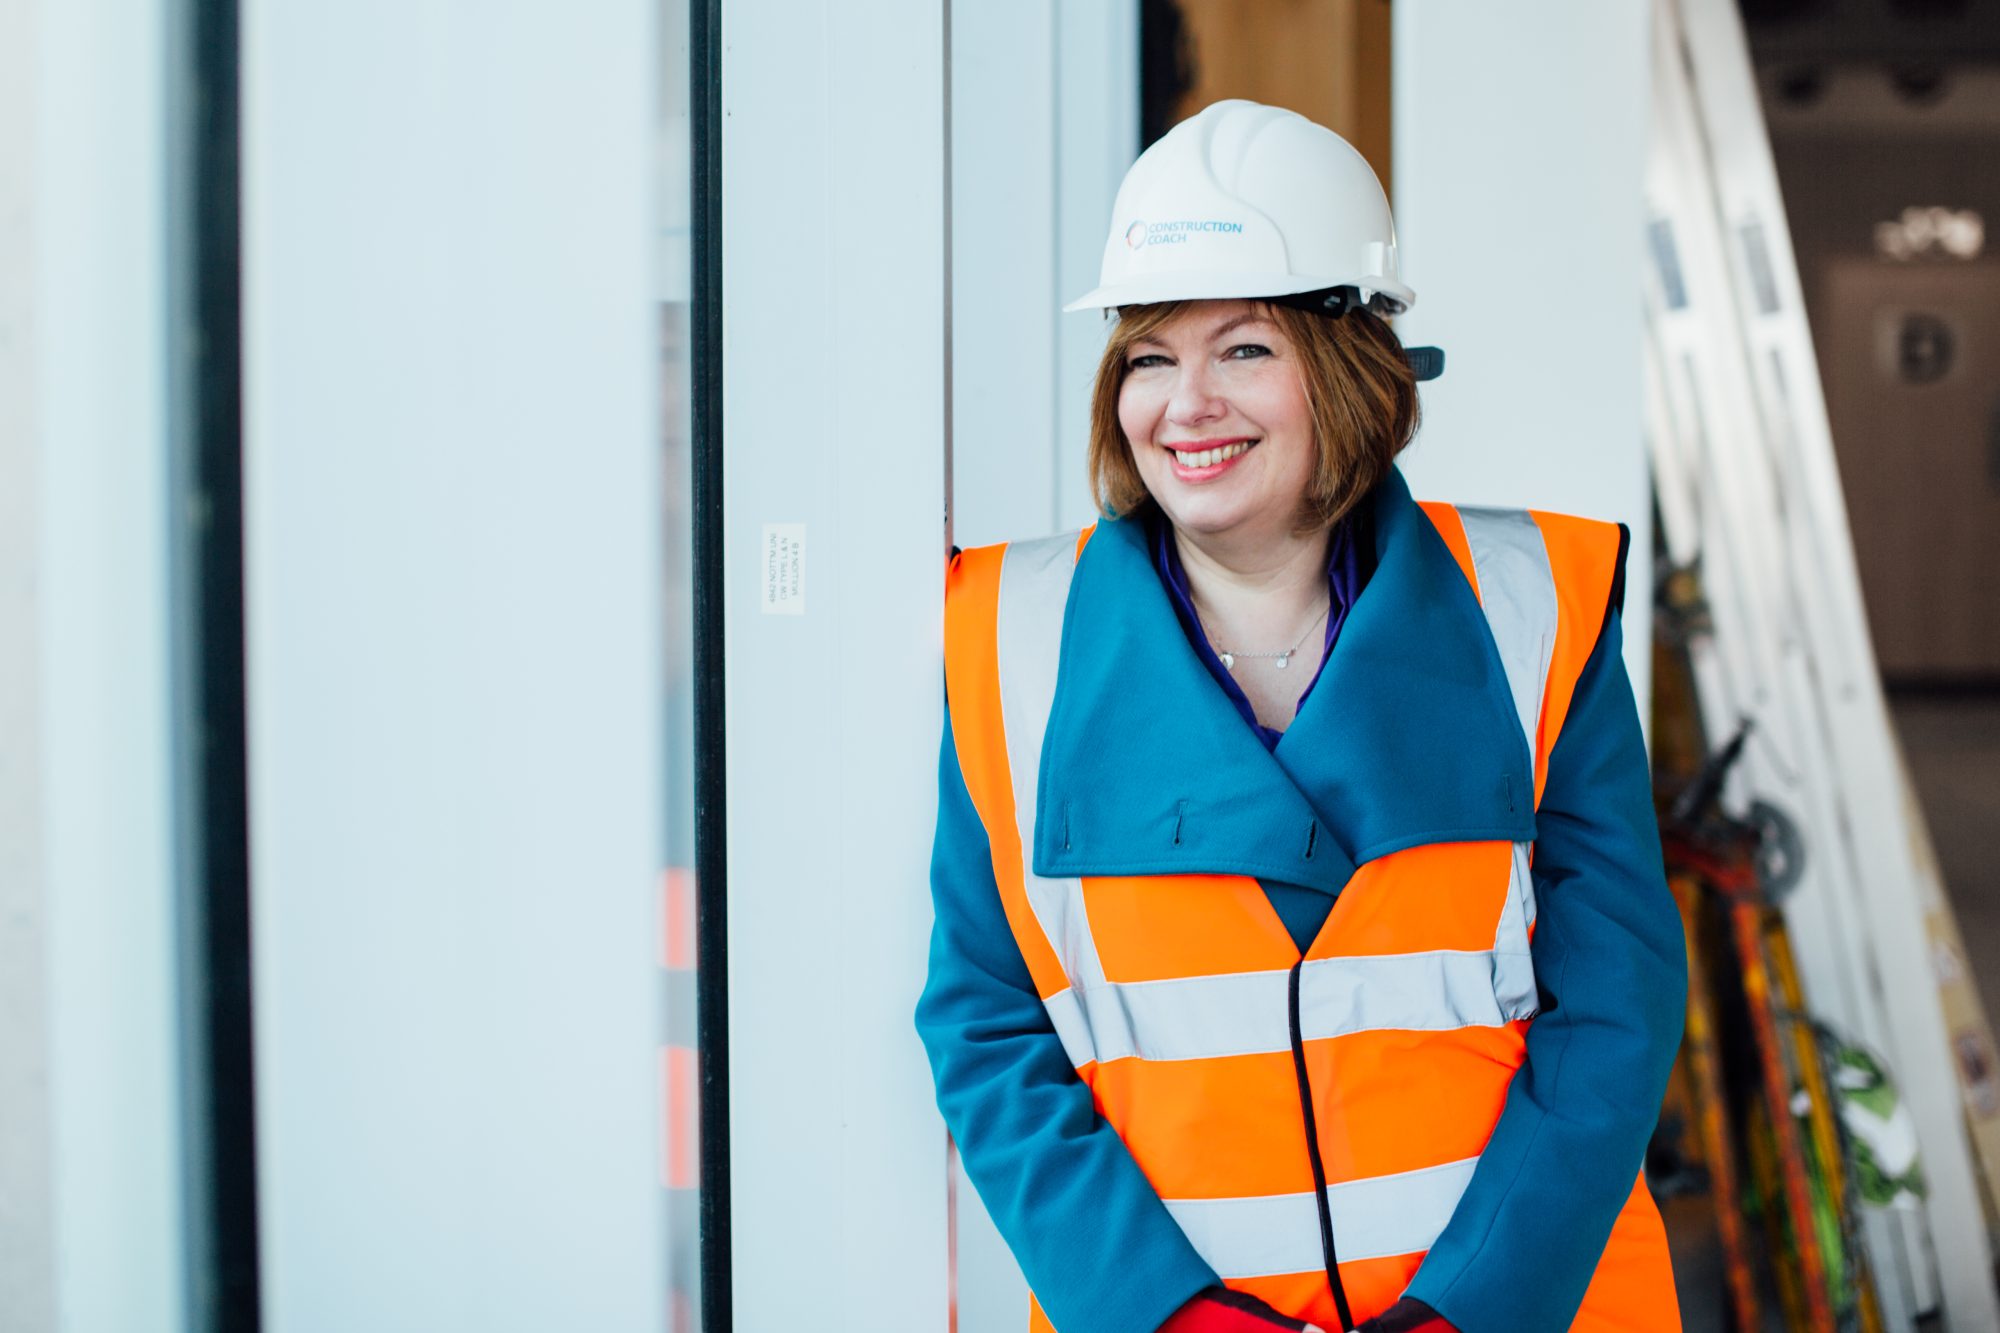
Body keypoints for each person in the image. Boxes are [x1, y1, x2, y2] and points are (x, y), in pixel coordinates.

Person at [916, 99, 1686, 1333]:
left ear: (1348, 369)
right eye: (1148, 356)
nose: (1185, 404)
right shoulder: (1007, 637)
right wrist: (1170, 1315)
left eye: (1243, 349)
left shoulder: (1535, 606)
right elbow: (985, 1018)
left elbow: (1613, 999)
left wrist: (1472, 1308)